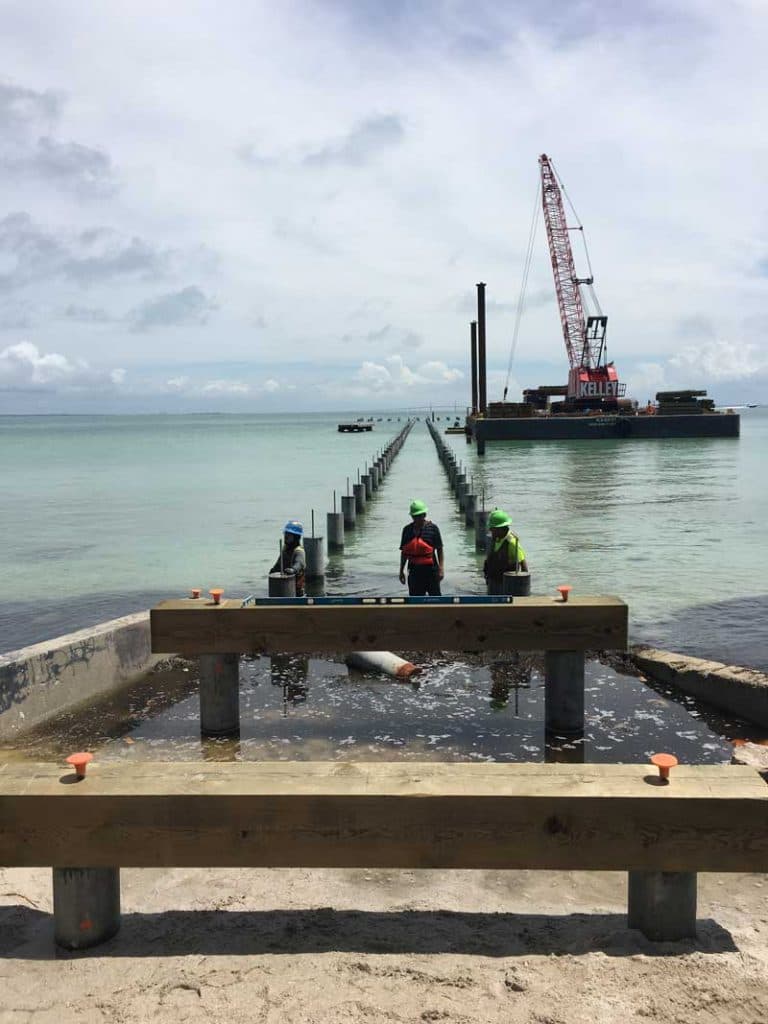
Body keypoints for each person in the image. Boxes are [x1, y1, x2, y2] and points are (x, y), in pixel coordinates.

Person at [399, 499, 444, 596]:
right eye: (414, 516)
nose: (417, 519)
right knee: (415, 602)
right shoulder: (407, 530)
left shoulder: (433, 529)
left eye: (419, 516)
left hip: (431, 572)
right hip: (414, 572)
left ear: (424, 515)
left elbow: (439, 549)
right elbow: (404, 552)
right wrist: (401, 571)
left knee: (436, 599)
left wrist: (441, 569)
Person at [483, 508, 528, 595]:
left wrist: (522, 589)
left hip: (506, 586)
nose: (491, 531)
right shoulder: (496, 539)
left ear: (501, 529)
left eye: (492, 529)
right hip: (493, 583)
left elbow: (523, 564)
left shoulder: (512, 543)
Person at [270, 520, 306, 596]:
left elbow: (299, 563)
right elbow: (279, 563)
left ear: (296, 537)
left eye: (289, 535)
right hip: (284, 585)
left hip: (296, 590)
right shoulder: (285, 549)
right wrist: (273, 570)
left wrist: (293, 570)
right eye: (285, 534)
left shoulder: (299, 551)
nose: (285, 537)